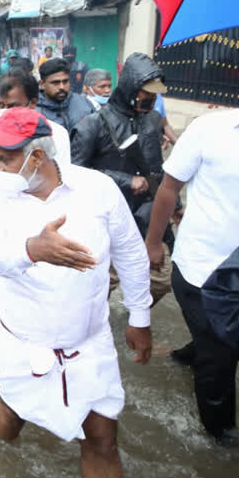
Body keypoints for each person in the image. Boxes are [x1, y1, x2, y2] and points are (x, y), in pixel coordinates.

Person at [0, 107, 152, 478]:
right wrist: (30, 250)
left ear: (37, 156)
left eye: (5, 159)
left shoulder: (96, 188)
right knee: (12, 414)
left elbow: (131, 253)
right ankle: (3, 462)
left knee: (102, 440)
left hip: (88, 343)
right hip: (24, 342)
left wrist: (140, 316)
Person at [144, 87, 239, 447]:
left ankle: (185, 354)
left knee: (223, 341)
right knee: (220, 360)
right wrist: (154, 242)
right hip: (204, 268)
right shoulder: (209, 130)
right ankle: (220, 436)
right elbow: (170, 188)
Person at [0, 69, 71, 342]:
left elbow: (62, 181)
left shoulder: (56, 134)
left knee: (32, 289)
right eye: (1, 105)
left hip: (33, 223)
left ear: (33, 103)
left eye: (13, 106)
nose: (5, 112)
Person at [71, 52, 172, 306]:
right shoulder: (91, 126)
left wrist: (174, 208)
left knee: (162, 279)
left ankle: (137, 314)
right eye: (144, 95)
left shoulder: (152, 121)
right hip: (105, 217)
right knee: (97, 287)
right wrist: (126, 180)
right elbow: (75, 174)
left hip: (146, 216)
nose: (149, 101)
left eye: (153, 97)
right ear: (129, 88)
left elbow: (156, 168)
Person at [36, 58, 93, 132]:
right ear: (42, 84)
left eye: (65, 81)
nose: (61, 87)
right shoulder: (34, 112)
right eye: (55, 83)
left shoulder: (84, 104)